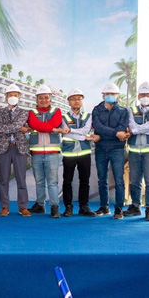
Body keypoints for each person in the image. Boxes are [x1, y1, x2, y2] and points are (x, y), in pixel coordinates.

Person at [124, 82, 149, 221]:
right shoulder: (131, 110)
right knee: (135, 180)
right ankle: (135, 206)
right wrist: (145, 130)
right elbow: (131, 124)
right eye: (142, 94)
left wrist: (136, 130)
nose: (145, 97)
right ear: (138, 96)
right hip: (134, 151)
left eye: (148, 94)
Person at [27, 84, 68, 218]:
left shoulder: (57, 111)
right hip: (36, 153)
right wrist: (50, 128)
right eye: (40, 98)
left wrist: (44, 127)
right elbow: (34, 124)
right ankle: (40, 205)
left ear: (50, 99)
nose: (43, 100)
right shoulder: (31, 112)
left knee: (52, 182)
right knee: (39, 182)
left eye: (46, 97)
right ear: (36, 99)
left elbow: (54, 123)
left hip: (52, 153)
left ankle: (54, 207)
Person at [91, 83, 129, 219]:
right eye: (107, 94)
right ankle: (104, 207)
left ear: (117, 95)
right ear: (103, 95)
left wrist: (115, 133)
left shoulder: (123, 111)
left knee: (119, 180)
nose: (110, 96)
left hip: (117, 149)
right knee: (102, 179)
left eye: (113, 94)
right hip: (101, 148)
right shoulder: (97, 110)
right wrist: (115, 133)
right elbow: (97, 126)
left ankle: (119, 209)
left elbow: (122, 128)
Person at [0, 84, 31, 217]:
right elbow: (1, 125)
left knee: (21, 179)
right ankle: (4, 207)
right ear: (6, 97)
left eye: (15, 95)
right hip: (4, 148)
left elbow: (8, 127)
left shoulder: (24, 112)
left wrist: (4, 129)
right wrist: (18, 128)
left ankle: (23, 207)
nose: (13, 97)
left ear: (19, 97)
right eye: (10, 95)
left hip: (19, 147)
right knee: (4, 179)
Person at [61, 89, 97, 217]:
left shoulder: (88, 116)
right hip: (69, 153)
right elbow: (67, 133)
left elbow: (85, 130)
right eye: (73, 99)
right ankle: (68, 207)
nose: (76, 101)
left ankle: (83, 206)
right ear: (69, 101)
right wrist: (84, 137)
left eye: (79, 98)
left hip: (84, 152)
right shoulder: (63, 117)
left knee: (84, 180)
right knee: (67, 181)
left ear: (82, 101)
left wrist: (72, 131)